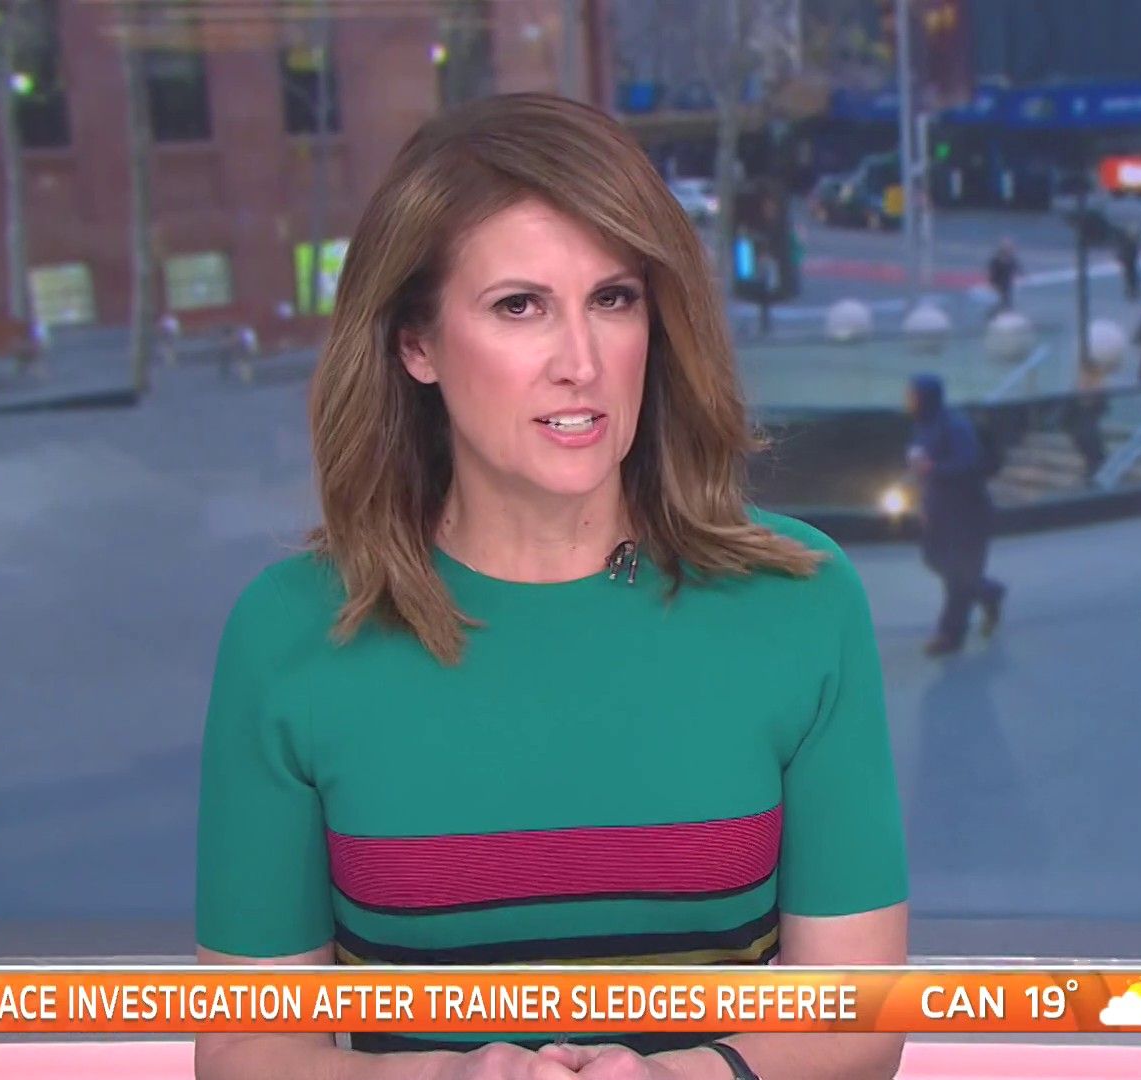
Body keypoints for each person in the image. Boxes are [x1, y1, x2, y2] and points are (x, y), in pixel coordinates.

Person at [195, 93, 909, 1080]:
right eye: (519, 306)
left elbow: (859, 1020)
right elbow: (245, 1046)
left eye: (613, 299)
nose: (581, 363)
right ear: (415, 344)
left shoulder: (802, 603)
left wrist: (675, 1078)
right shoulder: (291, 633)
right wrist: (444, 1078)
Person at [906, 374, 1006, 658]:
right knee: (935, 559)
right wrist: (923, 503)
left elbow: (968, 464)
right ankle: (989, 592)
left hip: (967, 513)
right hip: (939, 512)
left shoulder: (955, 426)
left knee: (958, 576)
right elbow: (920, 467)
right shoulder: (922, 426)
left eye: (912, 395)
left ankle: (950, 635)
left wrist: (933, 468)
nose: (908, 401)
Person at [987, 237, 1022, 313]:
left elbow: (1018, 269)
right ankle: (996, 312)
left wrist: (1021, 275)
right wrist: (992, 283)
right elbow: (992, 272)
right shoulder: (997, 260)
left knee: (1006, 300)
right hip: (998, 283)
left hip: (1006, 283)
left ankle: (1005, 311)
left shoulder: (1011, 259)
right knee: (1001, 300)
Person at [1115, 227, 1141, 301]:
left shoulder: (1130, 243)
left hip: (1130, 262)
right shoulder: (1127, 243)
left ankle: (1132, 291)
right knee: (1130, 277)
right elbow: (1124, 252)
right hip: (1128, 262)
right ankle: (1131, 291)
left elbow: (1133, 252)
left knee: (1131, 277)